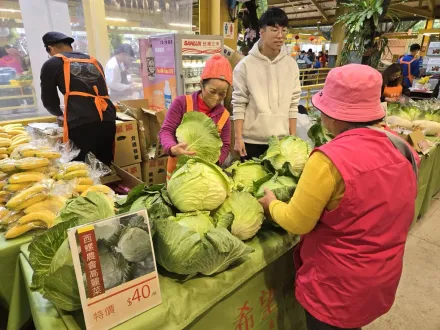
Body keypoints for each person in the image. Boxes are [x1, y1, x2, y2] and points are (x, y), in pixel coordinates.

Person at [259, 64, 419, 330]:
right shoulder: (401, 147)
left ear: (334, 116)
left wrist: (271, 205)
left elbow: (297, 223)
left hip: (335, 288)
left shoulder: (328, 159)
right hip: (383, 277)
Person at [232, 7, 301, 159]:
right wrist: (238, 138)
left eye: (284, 30)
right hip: (251, 141)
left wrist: (293, 138)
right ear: (262, 32)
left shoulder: (291, 65)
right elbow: (238, 103)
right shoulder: (244, 66)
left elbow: (293, 104)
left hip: (282, 141)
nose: (280, 35)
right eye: (274, 30)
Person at [40, 31, 116, 165]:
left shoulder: (52, 63)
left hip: (81, 124)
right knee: (104, 165)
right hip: (107, 119)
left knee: (83, 169)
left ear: (50, 49)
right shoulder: (93, 61)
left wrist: (59, 114)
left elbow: (49, 101)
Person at [159, 54, 232, 180]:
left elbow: (225, 146)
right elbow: (166, 131)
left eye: (222, 94)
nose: (216, 98)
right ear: (201, 85)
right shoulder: (182, 103)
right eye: (212, 91)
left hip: (206, 176)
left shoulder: (224, 115)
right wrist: (172, 148)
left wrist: (213, 164)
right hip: (178, 174)